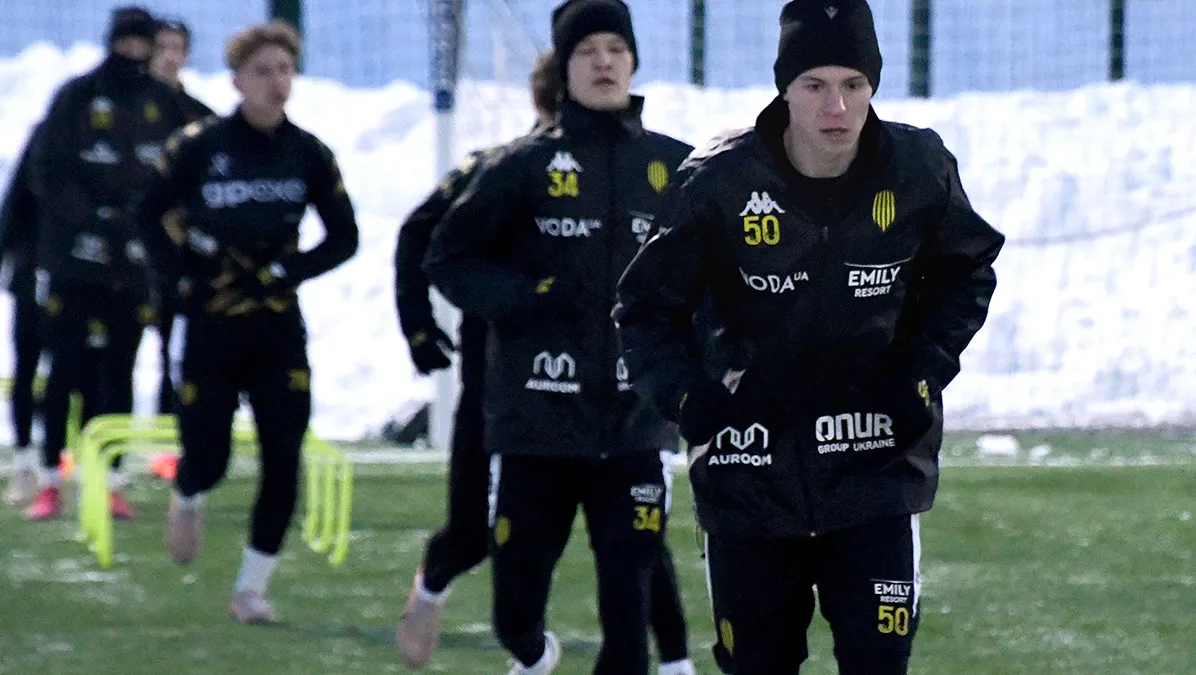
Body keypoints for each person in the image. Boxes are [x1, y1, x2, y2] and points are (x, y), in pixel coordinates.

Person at [613, 1, 1006, 673]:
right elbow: (645, 308)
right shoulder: (719, 181)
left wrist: (921, 370)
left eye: (854, 84)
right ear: (784, 88)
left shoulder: (918, 168)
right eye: (815, 84)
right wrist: (686, 395)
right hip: (748, 477)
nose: (837, 106)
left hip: (876, 466)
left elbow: (966, 273)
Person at [394, 51, 694, 675]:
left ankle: (674, 660)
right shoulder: (503, 168)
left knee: (636, 541)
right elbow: (423, 237)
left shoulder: (645, 169)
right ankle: (439, 587)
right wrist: (421, 326)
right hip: (505, 390)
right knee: (474, 534)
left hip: (613, 402)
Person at [133, 19, 358, 624]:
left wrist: (291, 270)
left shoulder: (308, 152)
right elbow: (146, 214)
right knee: (208, 456)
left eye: (284, 70)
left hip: (277, 327)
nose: (276, 82)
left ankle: (251, 589)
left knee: (284, 456)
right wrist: (180, 278)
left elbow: (345, 237)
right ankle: (189, 491)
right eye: (262, 71)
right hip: (212, 325)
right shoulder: (198, 145)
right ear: (236, 79)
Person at [24, 6, 192, 521]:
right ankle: (51, 479)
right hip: (74, 262)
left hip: (135, 267)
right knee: (64, 367)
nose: (134, 53)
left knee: (121, 368)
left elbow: (197, 159)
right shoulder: (77, 96)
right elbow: (45, 169)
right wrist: (87, 218)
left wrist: (153, 224)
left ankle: (112, 482)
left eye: (143, 43)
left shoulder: (167, 104)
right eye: (126, 42)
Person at [149, 16, 215, 415]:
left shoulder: (201, 120)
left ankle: (174, 421)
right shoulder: (122, 109)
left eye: (178, 48)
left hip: (180, 248)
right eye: (162, 48)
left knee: (178, 347)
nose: (170, 57)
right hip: (126, 246)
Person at [0, 123, 45, 506]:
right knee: (27, 365)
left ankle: (59, 461)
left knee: (82, 372)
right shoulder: (44, 140)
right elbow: (13, 207)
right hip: (32, 273)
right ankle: (26, 459)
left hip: (83, 279)